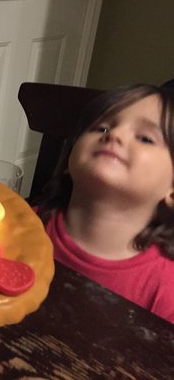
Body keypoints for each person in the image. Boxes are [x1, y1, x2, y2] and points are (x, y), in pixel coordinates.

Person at [35, 84, 174, 323]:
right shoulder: (20, 225)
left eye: (145, 138)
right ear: (69, 159)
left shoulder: (167, 289)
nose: (115, 135)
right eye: (102, 128)